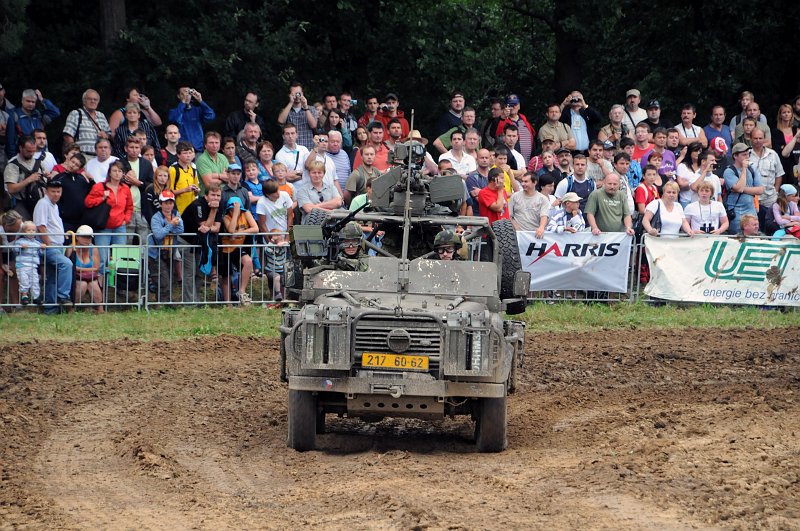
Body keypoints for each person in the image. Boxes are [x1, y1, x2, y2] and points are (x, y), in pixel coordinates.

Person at [84, 161, 133, 272]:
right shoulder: (100, 186)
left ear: (123, 174)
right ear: (109, 173)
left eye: (120, 171)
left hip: (120, 226)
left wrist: (126, 219)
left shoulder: (125, 188)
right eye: (114, 171)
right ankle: (101, 283)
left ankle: (118, 283)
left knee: (120, 257)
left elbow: (130, 206)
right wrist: (101, 198)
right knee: (102, 258)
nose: (117, 173)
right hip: (103, 226)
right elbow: (88, 202)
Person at [33, 180, 74, 313]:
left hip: (57, 245)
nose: (56, 194)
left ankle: (50, 310)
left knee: (53, 277)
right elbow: (41, 227)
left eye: (58, 191)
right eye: (53, 191)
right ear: (46, 191)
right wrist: (49, 246)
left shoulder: (53, 205)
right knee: (66, 265)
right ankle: (63, 296)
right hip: (49, 246)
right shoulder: (43, 203)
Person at [219, 196, 258, 305]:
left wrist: (239, 233)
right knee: (226, 275)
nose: (234, 211)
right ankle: (228, 303)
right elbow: (231, 229)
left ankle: (242, 291)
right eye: (231, 209)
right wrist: (235, 213)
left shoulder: (246, 214)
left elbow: (255, 228)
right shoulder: (226, 217)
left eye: (236, 209)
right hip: (225, 248)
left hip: (238, 246)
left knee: (248, 262)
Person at [146, 190, 184, 303]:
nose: (168, 205)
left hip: (169, 252)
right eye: (166, 203)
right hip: (155, 253)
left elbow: (181, 230)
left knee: (169, 279)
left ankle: (165, 303)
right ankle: (162, 304)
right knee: (163, 280)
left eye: (171, 203)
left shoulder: (176, 214)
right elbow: (158, 235)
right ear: (161, 204)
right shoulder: (156, 217)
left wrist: (167, 228)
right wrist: (171, 224)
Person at [5, 89, 60, 159]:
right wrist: (13, 159)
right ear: (22, 100)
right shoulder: (14, 116)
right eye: (28, 101)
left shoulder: (39, 115)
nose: (30, 104)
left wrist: (42, 99)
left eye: (33, 102)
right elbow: (10, 141)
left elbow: (56, 112)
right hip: (23, 156)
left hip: (41, 155)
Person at [724, 143, 764, 234]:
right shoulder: (729, 171)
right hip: (737, 212)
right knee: (737, 237)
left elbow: (760, 190)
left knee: (754, 235)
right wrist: (744, 169)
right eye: (744, 154)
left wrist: (742, 189)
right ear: (735, 156)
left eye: (748, 154)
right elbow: (739, 188)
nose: (747, 156)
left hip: (751, 211)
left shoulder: (752, 169)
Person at [3, 135, 46, 220]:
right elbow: (11, 189)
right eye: (28, 151)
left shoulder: (39, 163)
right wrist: (29, 180)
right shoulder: (12, 166)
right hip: (22, 204)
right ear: (20, 148)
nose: (31, 154)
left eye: (33, 151)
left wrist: (47, 177)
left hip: (40, 203)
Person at [62, 89, 111, 160]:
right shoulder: (76, 114)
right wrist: (74, 153)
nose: (93, 101)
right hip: (82, 156)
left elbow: (109, 134)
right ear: (84, 101)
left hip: (100, 157)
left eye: (95, 99)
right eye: (90, 99)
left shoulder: (101, 116)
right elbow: (68, 135)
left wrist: (106, 135)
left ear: (98, 102)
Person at [749, 128, 784, 228]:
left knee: (770, 224)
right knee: (754, 224)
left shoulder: (773, 154)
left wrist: (776, 191)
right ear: (750, 139)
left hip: (770, 197)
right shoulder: (746, 154)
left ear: (764, 139)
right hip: (752, 198)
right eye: (755, 138)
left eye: (760, 138)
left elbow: (779, 174)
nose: (758, 140)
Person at [66, 224, 103, 311]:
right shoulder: (71, 249)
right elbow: (71, 267)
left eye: (89, 237)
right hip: (75, 277)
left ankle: (101, 310)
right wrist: (88, 270)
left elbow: (97, 268)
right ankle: (71, 309)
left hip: (90, 277)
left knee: (93, 285)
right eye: (84, 237)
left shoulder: (94, 249)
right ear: (77, 237)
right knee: (82, 285)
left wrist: (80, 269)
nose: (87, 240)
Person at [168, 86, 216, 152]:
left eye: (188, 93)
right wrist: (183, 102)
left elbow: (211, 116)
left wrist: (200, 100)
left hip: (198, 149)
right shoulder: (173, 111)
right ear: (178, 96)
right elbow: (176, 119)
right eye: (183, 93)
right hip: (182, 149)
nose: (186, 95)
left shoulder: (197, 110)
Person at [53, 152, 91, 233]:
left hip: (81, 219)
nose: (73, 165)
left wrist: (91, 181)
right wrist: (61, 211)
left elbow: (88, 194)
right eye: (73, 162)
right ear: (69, 160)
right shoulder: (59, 178)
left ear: (80, 168)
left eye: (77, 165)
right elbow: (53, 195)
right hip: (65, 219)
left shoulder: (82, 179)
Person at [277, 82, 318, 150]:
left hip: (307, 146)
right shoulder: (286, 110)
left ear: (302, 94)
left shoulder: (311, 109)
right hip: (289, 148)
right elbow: (280, 121)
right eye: (294, 93)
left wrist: (305, 107)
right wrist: (291, 102)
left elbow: (313, 125)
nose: (297, 96)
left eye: (299, 93)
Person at [509, 172, 550, 238]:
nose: (523, 184)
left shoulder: (543, 199)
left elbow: (544, 215)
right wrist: (515, 227)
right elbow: (509, 216)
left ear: (535, 182)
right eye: (522, 181)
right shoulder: (515, 196)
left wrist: (541, 227)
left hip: (535, 235)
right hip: (517, 235)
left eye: (526, 182)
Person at [12, 220, 44, 305]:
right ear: (24, 231)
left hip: (33, 265)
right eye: (29, 230)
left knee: (35, 281)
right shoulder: (20, 241)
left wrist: (42, 248)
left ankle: (35, 297)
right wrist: (21, 247)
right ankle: (24, 296)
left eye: (33, 230)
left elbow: (40, 254)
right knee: (24, 281)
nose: (31, 232)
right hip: (22, 265)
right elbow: (14, 250)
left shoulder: (37, 243)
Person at [169, 142, 200, 215]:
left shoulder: (192, 169)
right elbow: (169, 192)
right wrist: (185, 190)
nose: (188, 156)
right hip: (178, 209)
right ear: (178, 155)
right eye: (185, 153)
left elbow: (196, 191)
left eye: (190, 153)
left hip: (192, 207)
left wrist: (197, 190)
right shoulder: (173, 170)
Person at [773, 104, 799, 186]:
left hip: (795, 161)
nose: (786, 114)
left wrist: (785, 146)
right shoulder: (776, 131)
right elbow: (778, 149)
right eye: (784, 112)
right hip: (782, 163)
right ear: (780, 115)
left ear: (792, 114)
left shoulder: (796, 129)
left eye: (789, 112)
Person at [264, 229, 290, 303]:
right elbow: (267, 250)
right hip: (271, 270)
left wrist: (284, 242)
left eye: (280, 235)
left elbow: (290, 244)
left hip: (281, 270)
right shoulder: (270, 247)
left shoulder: (284, 246)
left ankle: (281, 300)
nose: (279, 237)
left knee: (283, 282)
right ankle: (277, 295)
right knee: (276, 278)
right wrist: (272, 240)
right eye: (276, 236)